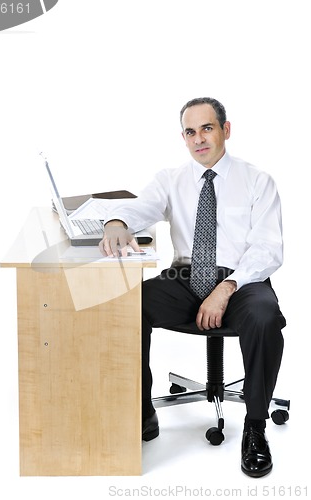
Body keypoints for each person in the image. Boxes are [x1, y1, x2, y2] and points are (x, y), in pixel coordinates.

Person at [99, 97, 286, 478]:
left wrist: (228, 286)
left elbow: (268, 248)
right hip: (184, 279)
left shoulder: (257, 181)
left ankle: (255, 427)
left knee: (265, 318)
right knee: (127, 307)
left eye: (207, 128)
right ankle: (141, 413)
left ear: (225, 130)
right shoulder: (171, 179)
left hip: (242, 280)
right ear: (183, 138)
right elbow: (142, 207)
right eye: (190, 131)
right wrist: (117, 221)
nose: (199, 138)